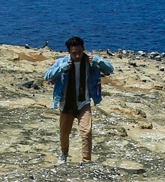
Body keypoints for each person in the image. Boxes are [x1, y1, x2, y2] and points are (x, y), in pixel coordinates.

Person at [43, 35, 113, 163]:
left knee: (86, 132)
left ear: (83, 49)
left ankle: (86, 161)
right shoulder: (62, 62)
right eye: (74, 53)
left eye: (80, 52)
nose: (77, 56)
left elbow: (109, 69)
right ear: (69, 52)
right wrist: (62, 68)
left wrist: (98, 61)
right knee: (64, 134)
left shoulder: (91, 62)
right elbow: (47, 76)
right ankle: (64, 153)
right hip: (66, 103)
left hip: (83, 102)